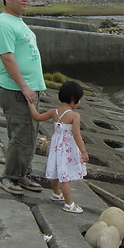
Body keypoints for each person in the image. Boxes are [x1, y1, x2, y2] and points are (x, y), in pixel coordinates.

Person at [0, 0, 46, 195]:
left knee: (29, 134)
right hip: (16, 90)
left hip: (29, 88)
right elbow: (7, 58)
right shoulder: (4, 23)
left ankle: (22, 173)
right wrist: (24, 86)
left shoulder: (17, 21)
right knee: (21, 134)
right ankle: (10, 176)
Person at [28, 81, 88, 213]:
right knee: (66, 176)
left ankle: (56, 193)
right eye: (79, 100)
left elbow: (37, 116)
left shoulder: (54, 112)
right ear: (73, 99)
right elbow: (77, 135)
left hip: (55, 146)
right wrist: (83, 152)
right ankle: (69, 204)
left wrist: (30, 103)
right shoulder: (74, 116)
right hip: (67, 148)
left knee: (55, 170)